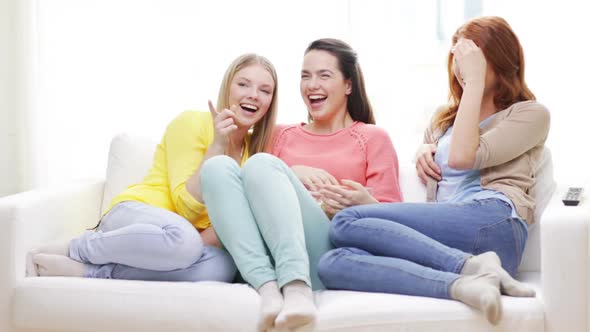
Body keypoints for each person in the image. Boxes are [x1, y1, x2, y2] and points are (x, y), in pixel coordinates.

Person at [317, 16, 549, 325]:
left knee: (346, 222)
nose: (462, 61)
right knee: (334, 262)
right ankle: (465, 282)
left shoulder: (530, 114)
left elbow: (465, 157)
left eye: (472, 52)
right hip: (452, 243)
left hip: (495, 223)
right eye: (458, 52)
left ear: (500, 56)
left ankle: (476, 268)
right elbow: (432, 218)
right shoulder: (442, 121)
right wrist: (372, 203)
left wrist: (475, 82)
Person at [199, 38, 402, 332]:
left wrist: (362, 204)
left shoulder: (373, 138)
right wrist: (294, 171)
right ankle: (268, 289)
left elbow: (396, 225)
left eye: (324, 75)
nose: (311, 84)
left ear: (348, 85)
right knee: (218, 168)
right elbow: (247, 201)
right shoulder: (279, 135)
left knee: (260, 164)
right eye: (305, 75)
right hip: (265, 261)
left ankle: (296, 287)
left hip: (326, 256)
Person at [25, 53, 279, 284]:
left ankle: (94, 271)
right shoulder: (191, 122)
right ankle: (79, 247)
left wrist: (185, 250)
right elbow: (186, 208)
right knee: (186, 241)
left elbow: (225, 226)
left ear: (270, 102)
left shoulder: (252, 158)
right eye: (243, 84)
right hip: (134, 216)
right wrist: (217, 147)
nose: (253, 95)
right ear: (228, 88)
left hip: (174, 243)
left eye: (264, 90)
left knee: (221, 267)